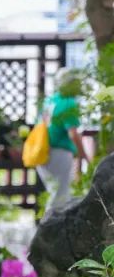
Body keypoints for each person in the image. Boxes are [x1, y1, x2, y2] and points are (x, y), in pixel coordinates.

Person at [38, 68, 88, 211]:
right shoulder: (68, 103)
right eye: (77, 82)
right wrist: (83, 155)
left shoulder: (50, 100)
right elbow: (73, 133)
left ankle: (54, 229)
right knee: (60, 198)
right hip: (59, 153)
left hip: (43, 152)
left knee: (58, 195)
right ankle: (48, 230)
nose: (80, 85)